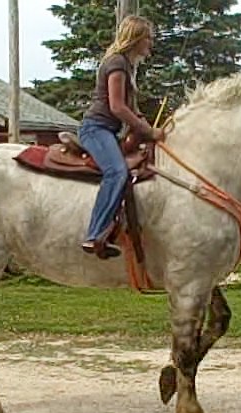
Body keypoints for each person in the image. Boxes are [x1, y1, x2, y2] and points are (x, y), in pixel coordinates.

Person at [79, 15, 165, 258]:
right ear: (136, 38)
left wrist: (142, 123)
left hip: (106, 129)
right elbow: (117, 107)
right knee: (117, 171)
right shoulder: (117, 64)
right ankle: (95, 234)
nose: (151, 43)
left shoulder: (126, 66)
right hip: (96, 129)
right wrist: (148, 131)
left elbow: (128, 107)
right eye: (148, 37)